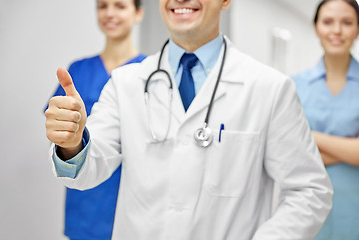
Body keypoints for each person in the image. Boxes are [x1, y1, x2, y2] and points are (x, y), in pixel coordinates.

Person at [45, 0, 333, 239]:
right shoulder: (126, 83)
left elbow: (310, 190)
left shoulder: (269, 88)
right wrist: (72, 143)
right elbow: (89, 166)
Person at [46, 0, 145, 239]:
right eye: (103, 6)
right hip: (85, 209)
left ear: (138, 14)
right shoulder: (78, 71)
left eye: (120, 6)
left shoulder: (149, 73)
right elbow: (62, 139)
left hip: (132, 204)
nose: (110, 13)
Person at [292, 0, 359, 239]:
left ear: (358, 29)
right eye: (328, 22)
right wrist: (349, 149)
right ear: (316, 27)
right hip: (304, 207)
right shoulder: (293, 85)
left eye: (347, 23)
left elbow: (299, 147)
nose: (337, 31)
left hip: (354, 209)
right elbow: (287, 152)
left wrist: (310, 138)